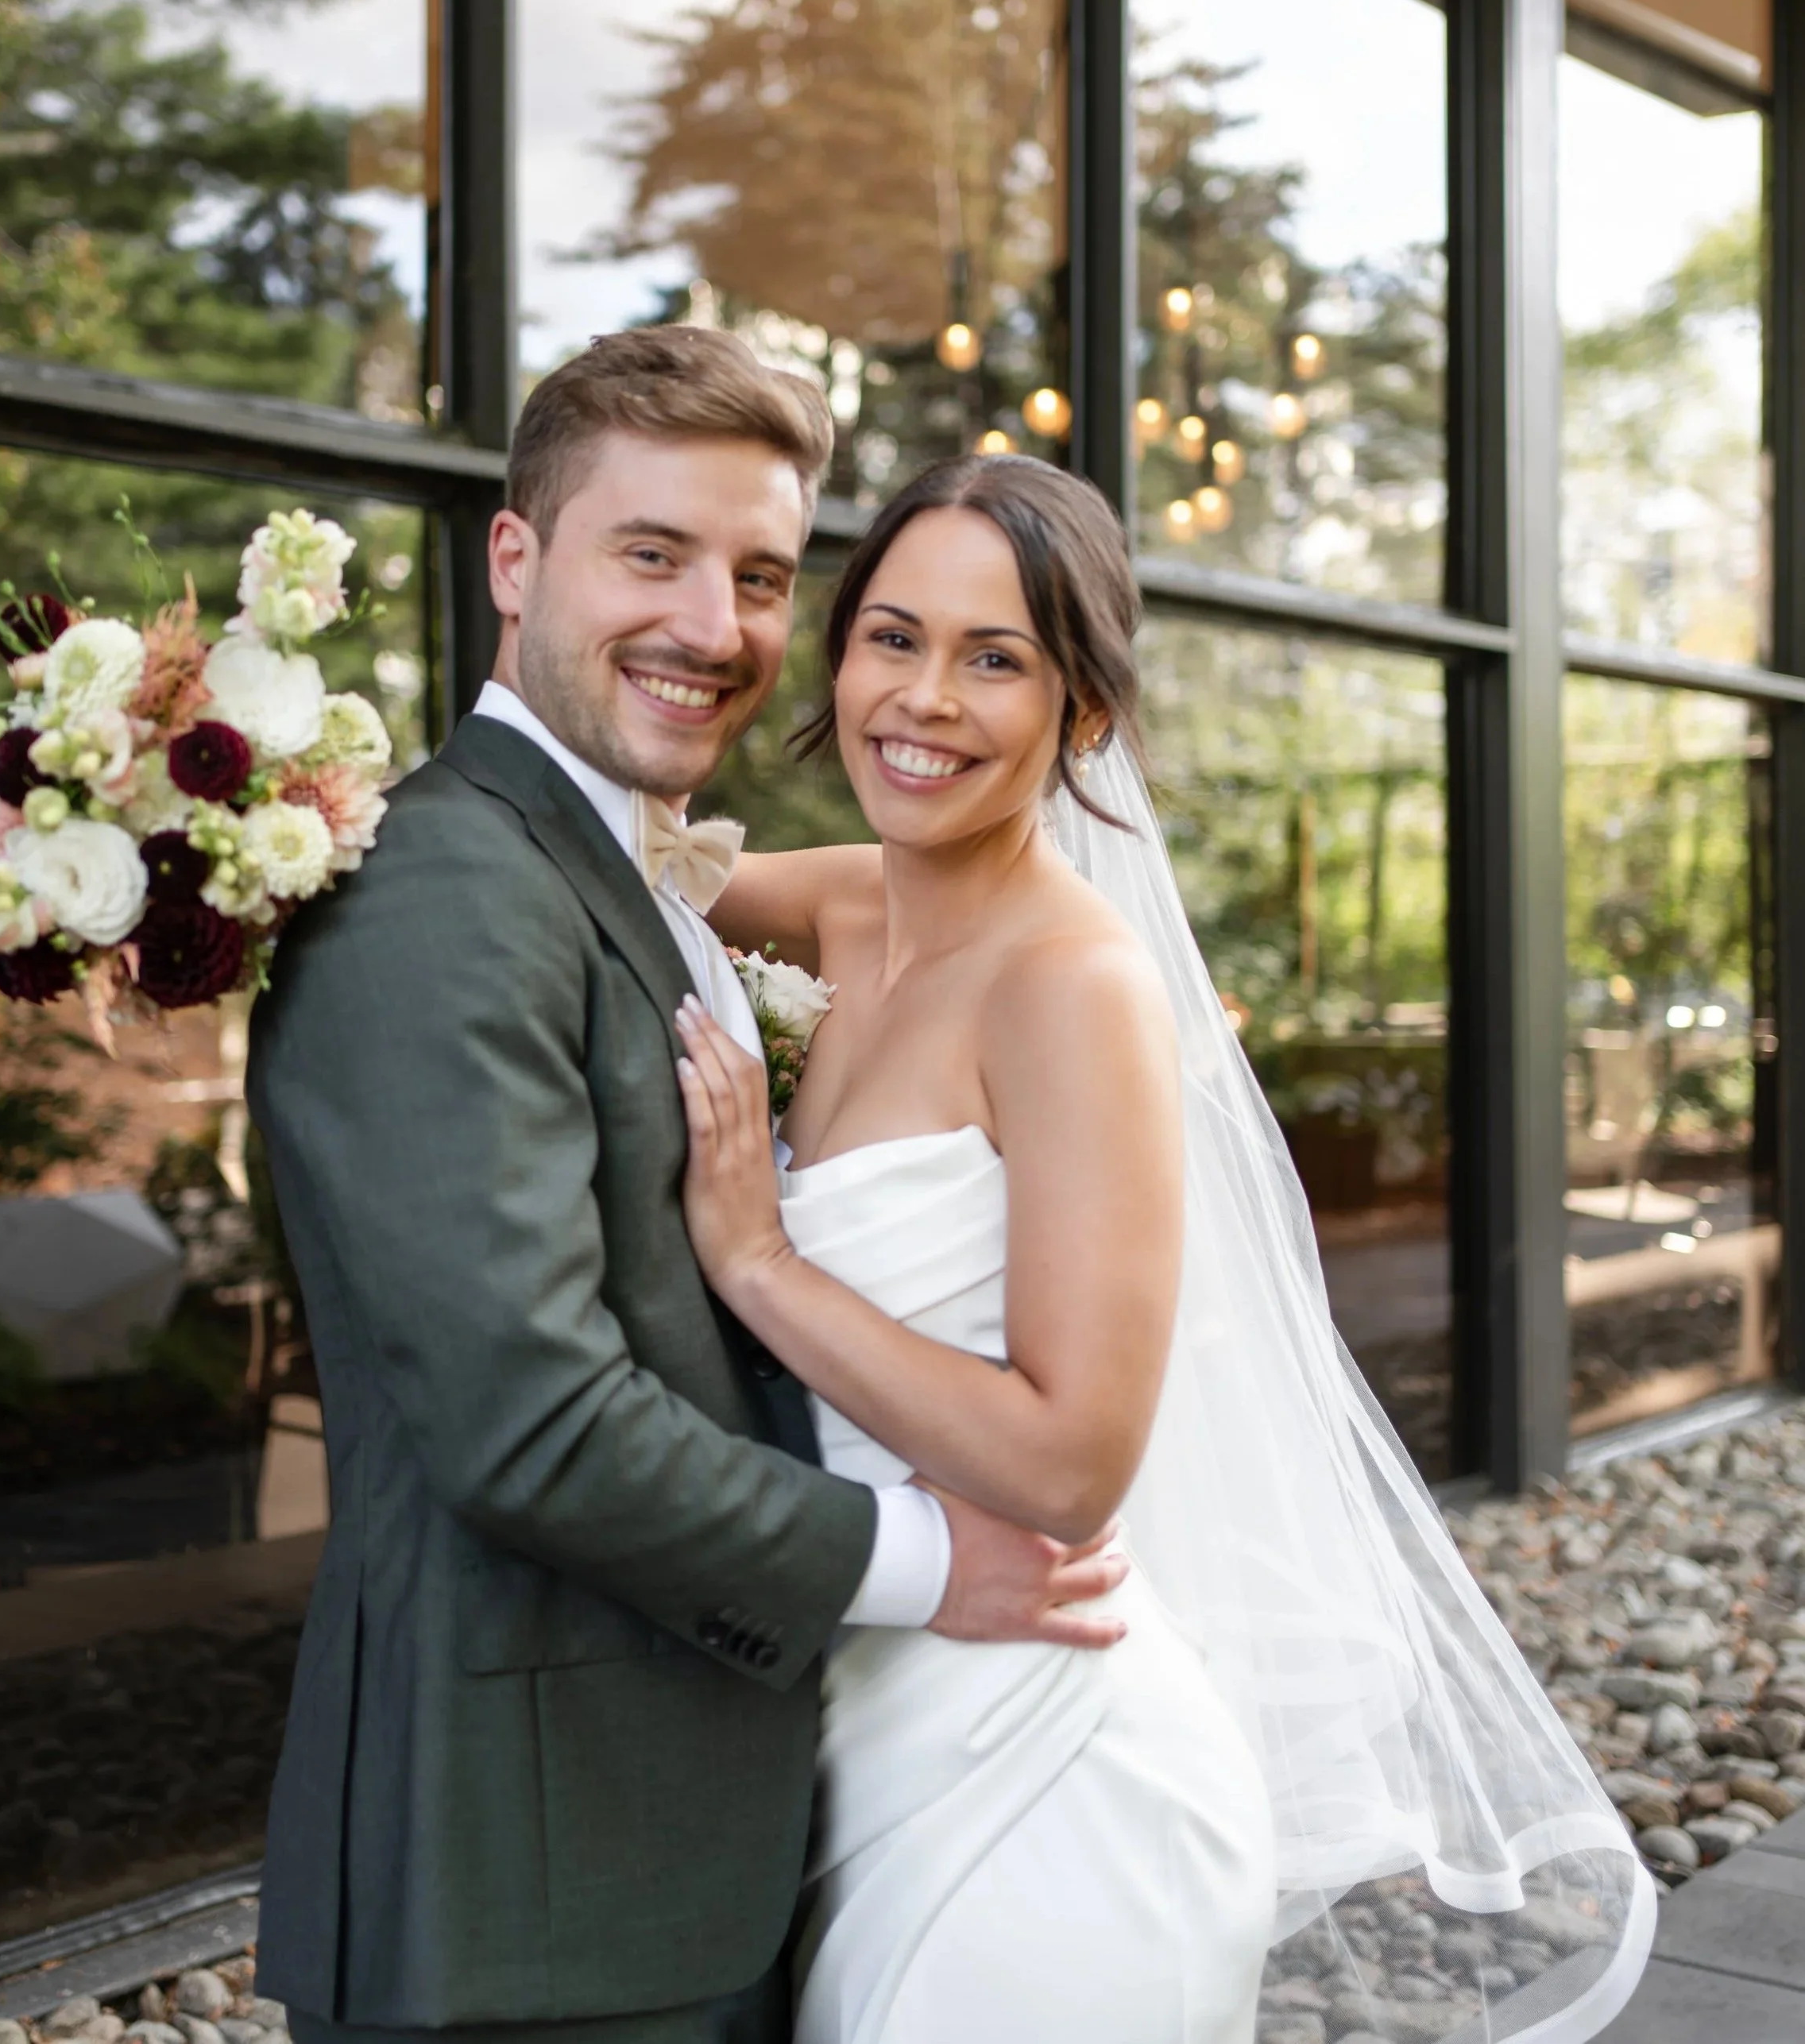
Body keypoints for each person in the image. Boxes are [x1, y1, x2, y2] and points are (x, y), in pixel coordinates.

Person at [673, 453, 1655, 2044]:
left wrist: (759, 1258)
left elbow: (1070, 1460)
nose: (922, 697)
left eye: (994, 657)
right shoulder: (837, 910)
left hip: (1051, 1781)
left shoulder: (1073, 984)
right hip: (855, 1729)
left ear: (1082, 712)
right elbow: (580, 880)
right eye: (891, 636)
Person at [245, 329, 1130, 2044]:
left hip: (698, 1821)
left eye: (755, 575)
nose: (712, 627)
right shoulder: (441, 889)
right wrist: (915, 1558)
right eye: (648, 553)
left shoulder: (643, 875)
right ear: (515, 558)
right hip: (537, 1873)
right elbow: (528, 1418)